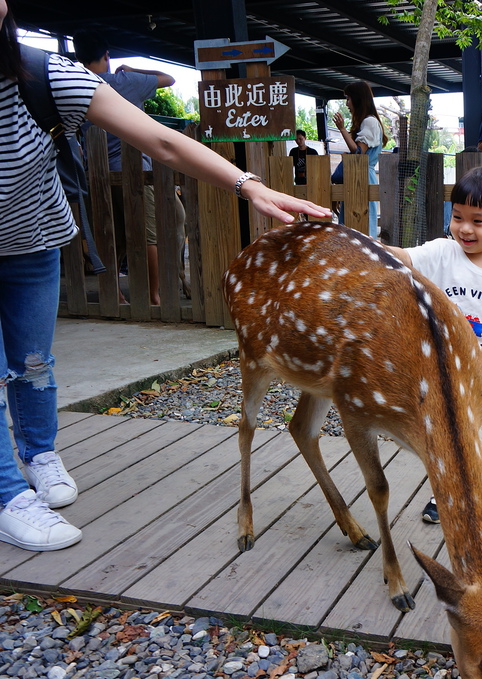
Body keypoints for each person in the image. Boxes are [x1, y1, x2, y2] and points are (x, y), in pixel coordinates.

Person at [0, 2, 330, 553]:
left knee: (33, 361)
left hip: (32, 242)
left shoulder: (45, 74)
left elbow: (162, 140)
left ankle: (39, 454)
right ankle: (11, 496)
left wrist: (250, 185)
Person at [381, 166, 482, 522]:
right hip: (447, 375)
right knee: (454, 434)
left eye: (477, 220)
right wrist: (369, 245)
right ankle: (453, 485)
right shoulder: (441, 253)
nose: (464, 228)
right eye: (457, 217)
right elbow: (404, 257)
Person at [74, 29, 183, 306]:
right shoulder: (123, 80)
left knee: (108, 235)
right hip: (133, 171)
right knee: (148, 233)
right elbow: (168, 79)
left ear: (78, 56)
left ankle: (116, 295)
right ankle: (153, 295)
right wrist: (132, 67)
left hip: (95, 174)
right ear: (106, 56)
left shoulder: (74, 85)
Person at [332, 81, 387, 239]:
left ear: (357, 99)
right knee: (353, 225)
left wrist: (342, 129)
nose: (347, 103)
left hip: (361, 178)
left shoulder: (369, 121)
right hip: (358, 177)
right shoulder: (367, 121)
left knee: (360, 225)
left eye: (348, 98)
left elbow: (358, 152)